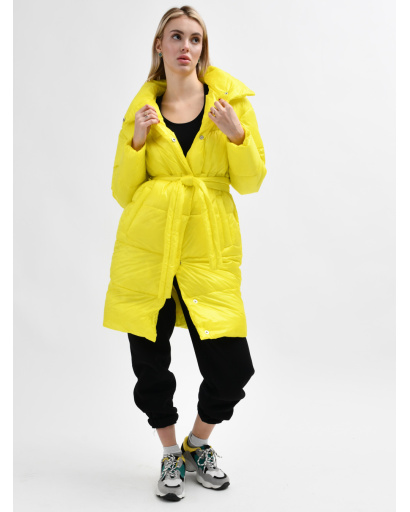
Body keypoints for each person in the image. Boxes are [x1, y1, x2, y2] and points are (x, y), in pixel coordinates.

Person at [103, 5, 267, 502]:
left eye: (195, 39)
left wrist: (236, 135)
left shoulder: (230, 103)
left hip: (207, 246)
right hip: (149, 245)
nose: (186, 47)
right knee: (150, 363)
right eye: (176, 37)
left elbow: (251, 181)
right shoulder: (142, 111)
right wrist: (136, 141)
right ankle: (170, 452)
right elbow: (122, 191)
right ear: (159, 45)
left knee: (232, 368)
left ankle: (198, 443)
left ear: (202, 48)